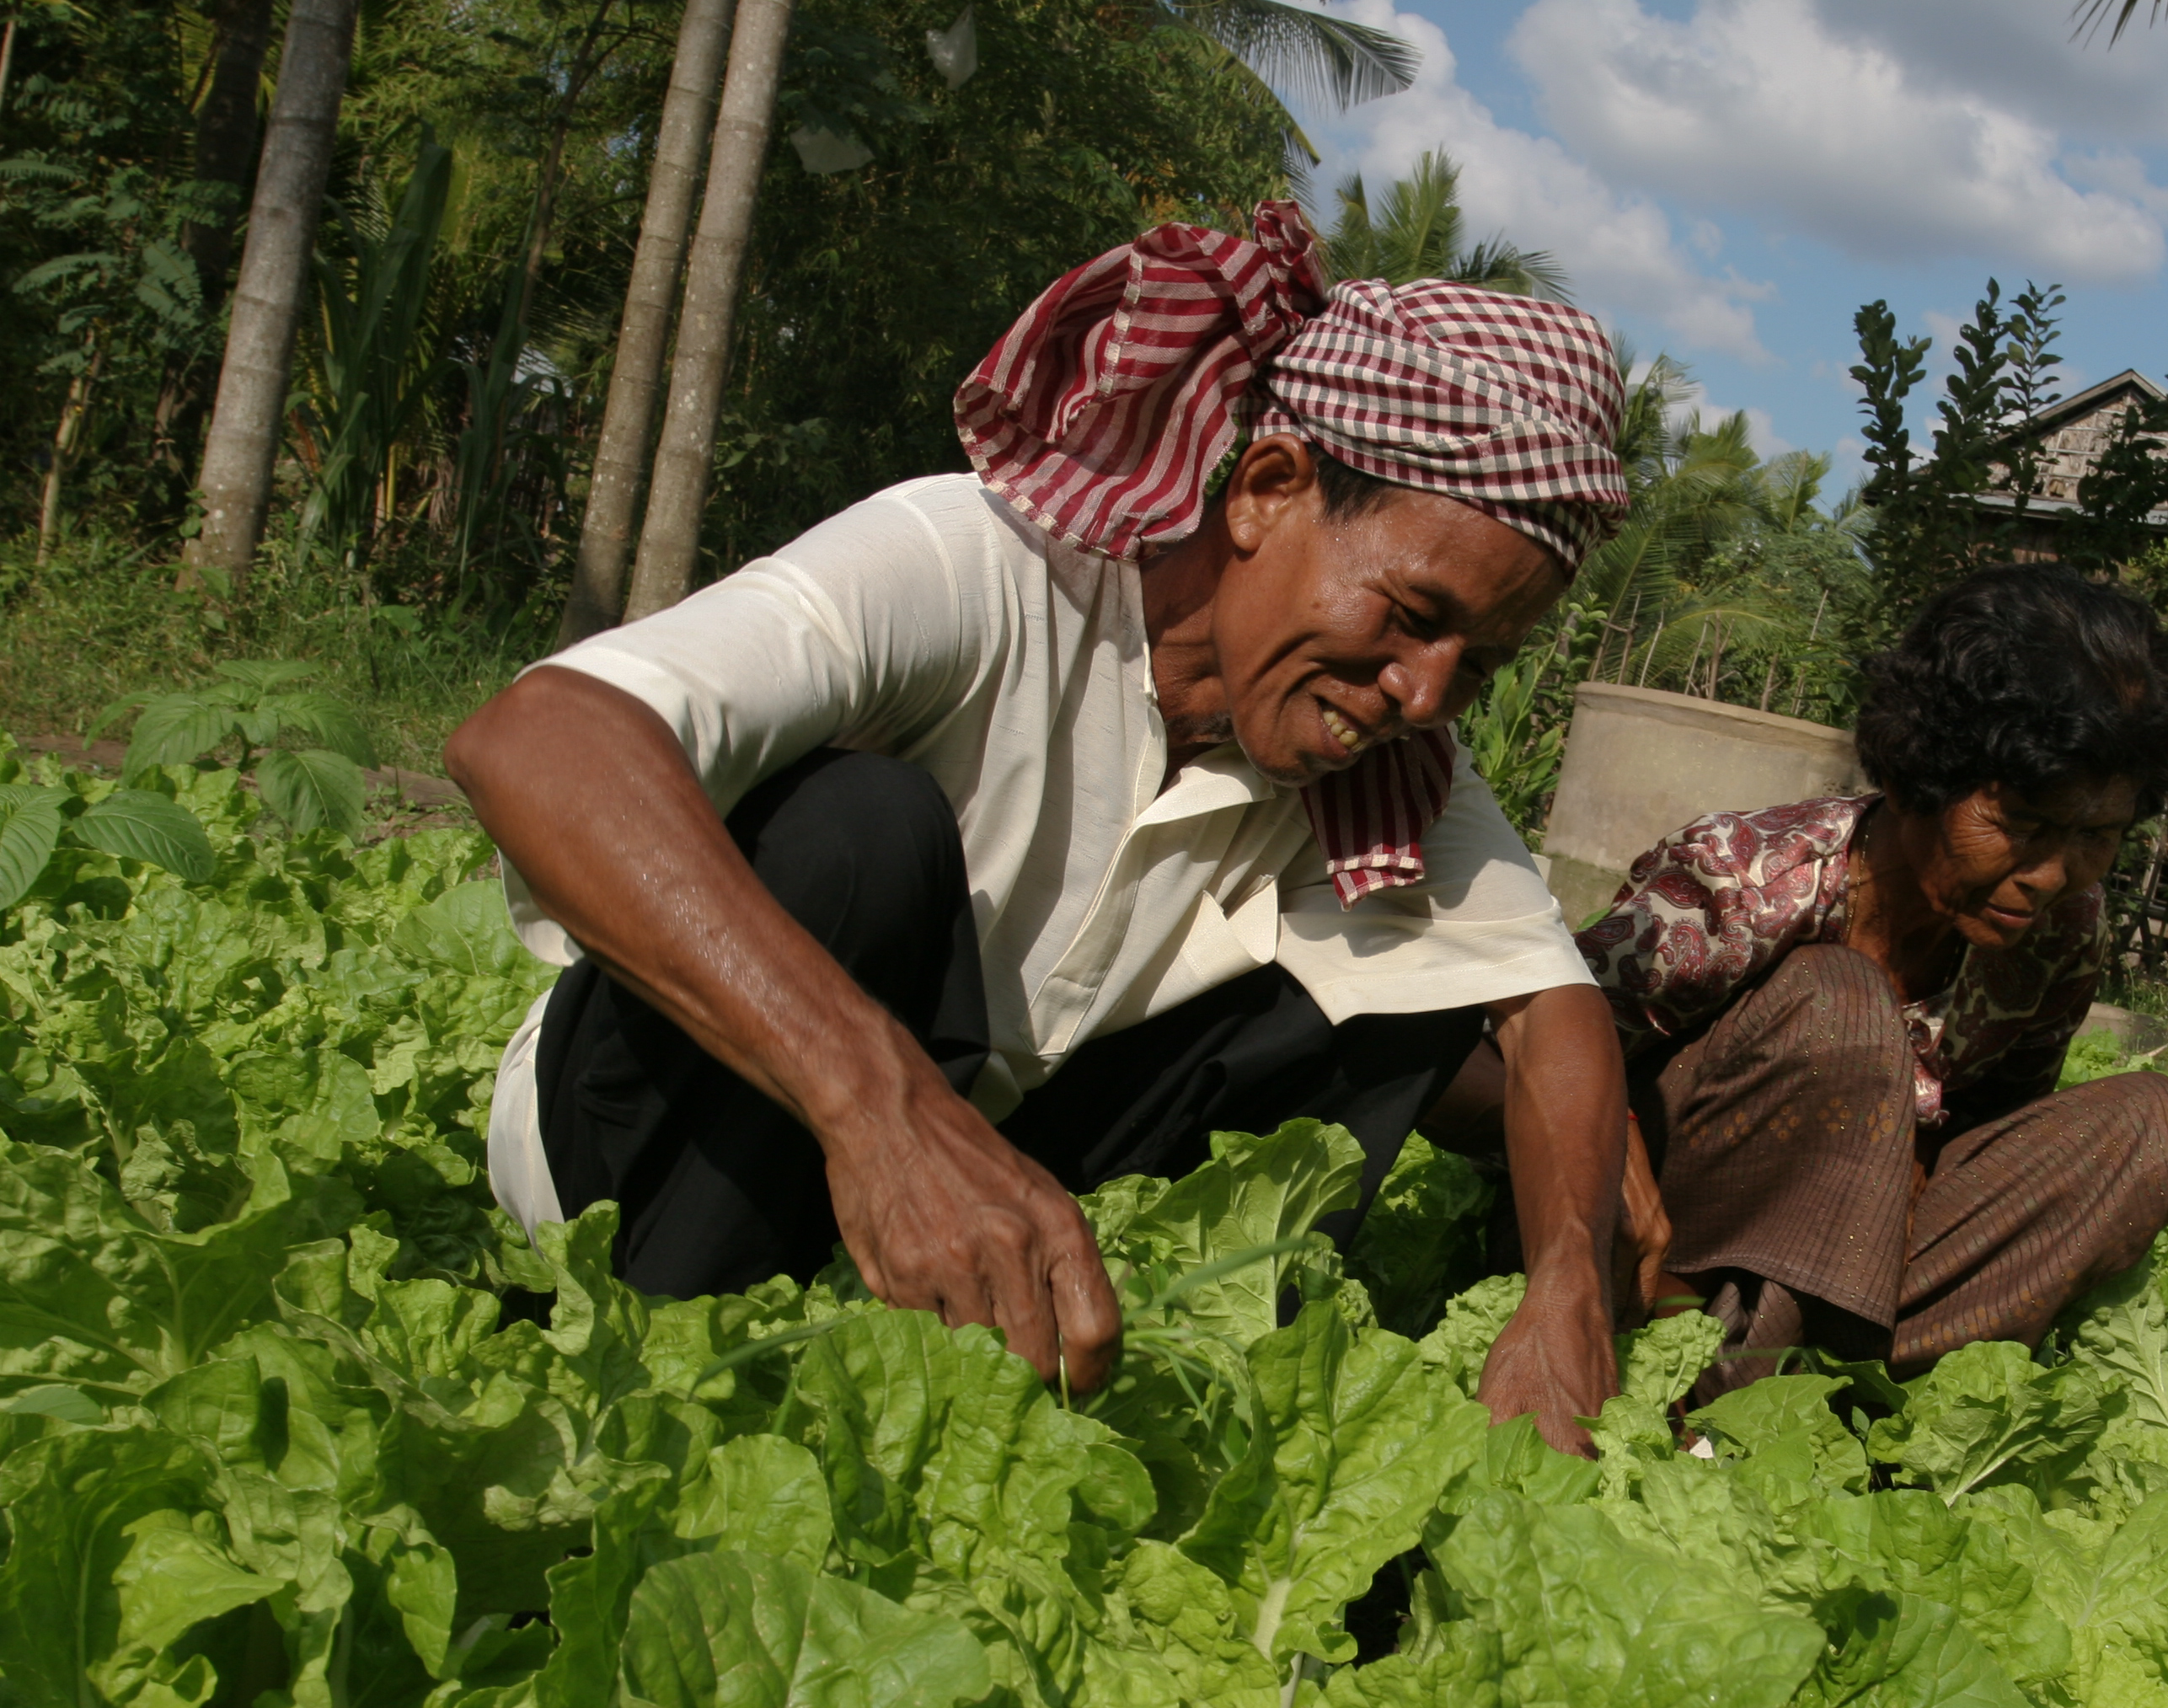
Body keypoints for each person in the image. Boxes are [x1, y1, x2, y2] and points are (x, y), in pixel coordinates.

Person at [447, 202, 1632, 1448]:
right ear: (1270, 491)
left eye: (1479, 665)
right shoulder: (979, 565)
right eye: (1410, 612)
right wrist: (884, 1111)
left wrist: (1569, 1282)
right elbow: (535, 740)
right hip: (621, 1163)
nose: (1427, 693)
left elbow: (1553, 1010)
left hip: (951, 1186)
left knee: (1391, 1007)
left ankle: (1120, 1409)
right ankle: (653, 1387)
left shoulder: (1384, 764)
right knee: (862, 828)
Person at [1576, 562, 2168, 1394]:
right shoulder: (1747, 881)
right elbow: (1539, 1042)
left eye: (2098, 835)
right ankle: (1675, 1381)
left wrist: (1910, 1163)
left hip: (1854, 1272)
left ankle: (1830, 1391)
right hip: (1642, 1244)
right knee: (1841, 1003)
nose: (2054, 873)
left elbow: (1995, 1132)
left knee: (2156, 1127)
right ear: (1922, 774)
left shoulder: (2058, 933)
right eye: (2020, 824)